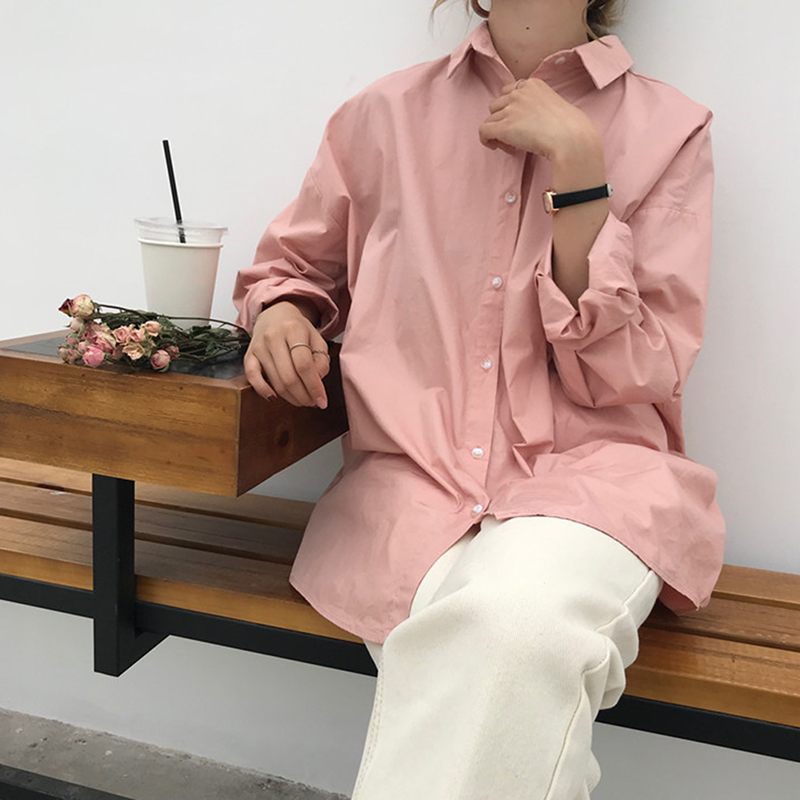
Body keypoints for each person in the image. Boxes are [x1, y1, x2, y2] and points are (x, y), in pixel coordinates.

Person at [233, 0, 726, 797]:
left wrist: (581, 172)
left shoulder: (670, 129)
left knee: (517, 630)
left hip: (593, 483)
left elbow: (640, 371)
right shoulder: (383, 114)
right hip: (410, 484)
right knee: (499, 659)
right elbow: (293, 269)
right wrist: (282, 311)